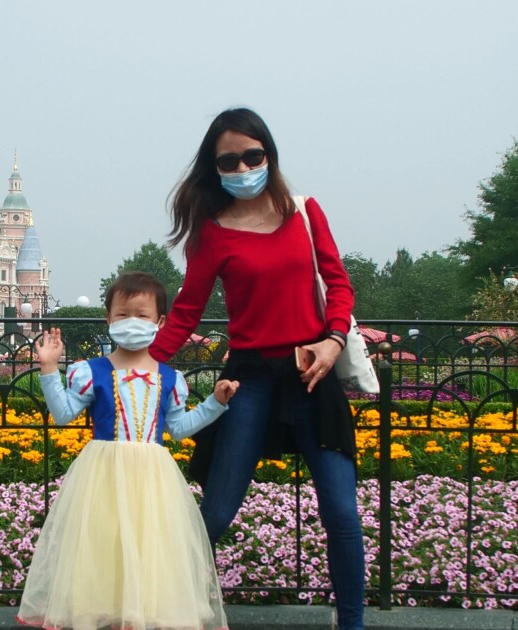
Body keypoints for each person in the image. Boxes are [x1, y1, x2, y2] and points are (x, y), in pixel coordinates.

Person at [148, 107, 366, 629]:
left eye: (253, 155)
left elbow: (338, 284)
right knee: (218, 510)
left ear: (269, 153)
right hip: (248, 381)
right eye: (230, 160)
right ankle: (157, 601)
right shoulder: (214, 232)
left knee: (341, 510)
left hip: (313, 372)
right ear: (215, 168)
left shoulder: (306, 212)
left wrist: (334, 341)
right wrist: (133, 367)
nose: (244, 167)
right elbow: (185, 312)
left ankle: (352, 622)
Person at [18, 271, 240, 630]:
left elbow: (180, 429)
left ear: (160, 321)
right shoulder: (91, 371)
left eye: (142, 314)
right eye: (122, 314)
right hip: (102, 476)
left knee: (149, 550)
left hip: (153, 480)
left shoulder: (170, 378)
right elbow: (62, 414)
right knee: (104, 547)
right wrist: (48, 368)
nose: (131, 322)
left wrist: (215, 403)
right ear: (108, 318)